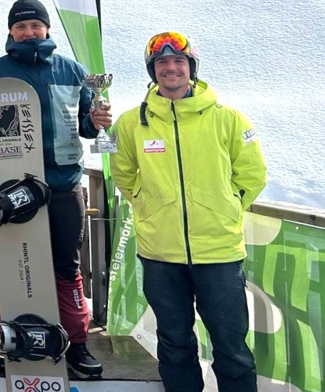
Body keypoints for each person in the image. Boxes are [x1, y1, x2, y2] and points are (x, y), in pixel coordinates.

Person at [0, 0, 111, 378]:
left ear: (46, 29)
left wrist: (98, 118)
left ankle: (76, 344)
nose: (29, 32)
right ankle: (11, 341)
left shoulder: (71, 71)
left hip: (62, 184)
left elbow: (86, 127)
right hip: (13, 189)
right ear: (10, 31)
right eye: (21, 26)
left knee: (65, 266)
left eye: (35, 25)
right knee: (16, 266)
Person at [110, 31, 266, 391]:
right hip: (161, 253)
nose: (170, 68)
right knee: (175, 344)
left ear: (191, 68)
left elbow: (253, 174)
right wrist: (147, 204)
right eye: (161, 62)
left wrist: (225, 208)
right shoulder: (132, 123)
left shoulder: (228, 119)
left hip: (219, 253)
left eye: (178, 61)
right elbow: (122, 170)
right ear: (153, 71)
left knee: (230, 346)